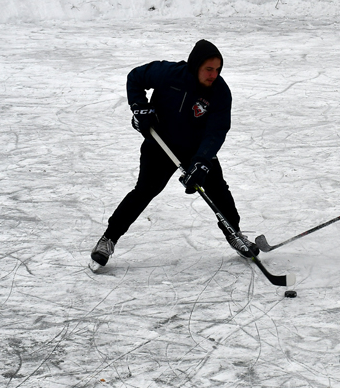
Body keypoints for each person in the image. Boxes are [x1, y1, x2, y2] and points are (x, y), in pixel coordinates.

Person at [89, 40, 258, 272]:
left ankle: (234, 234)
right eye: (209, 69)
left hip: (196, 149)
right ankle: (108, 239)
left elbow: (217, 131)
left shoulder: (220, 92)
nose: (214, 75)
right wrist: (139, 107)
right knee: (145, 191)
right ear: (196, 65)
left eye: (218, 69)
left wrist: (202, 161)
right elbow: (135, 77)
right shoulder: (168, 73)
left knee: (217, 189)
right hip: (161, 145)